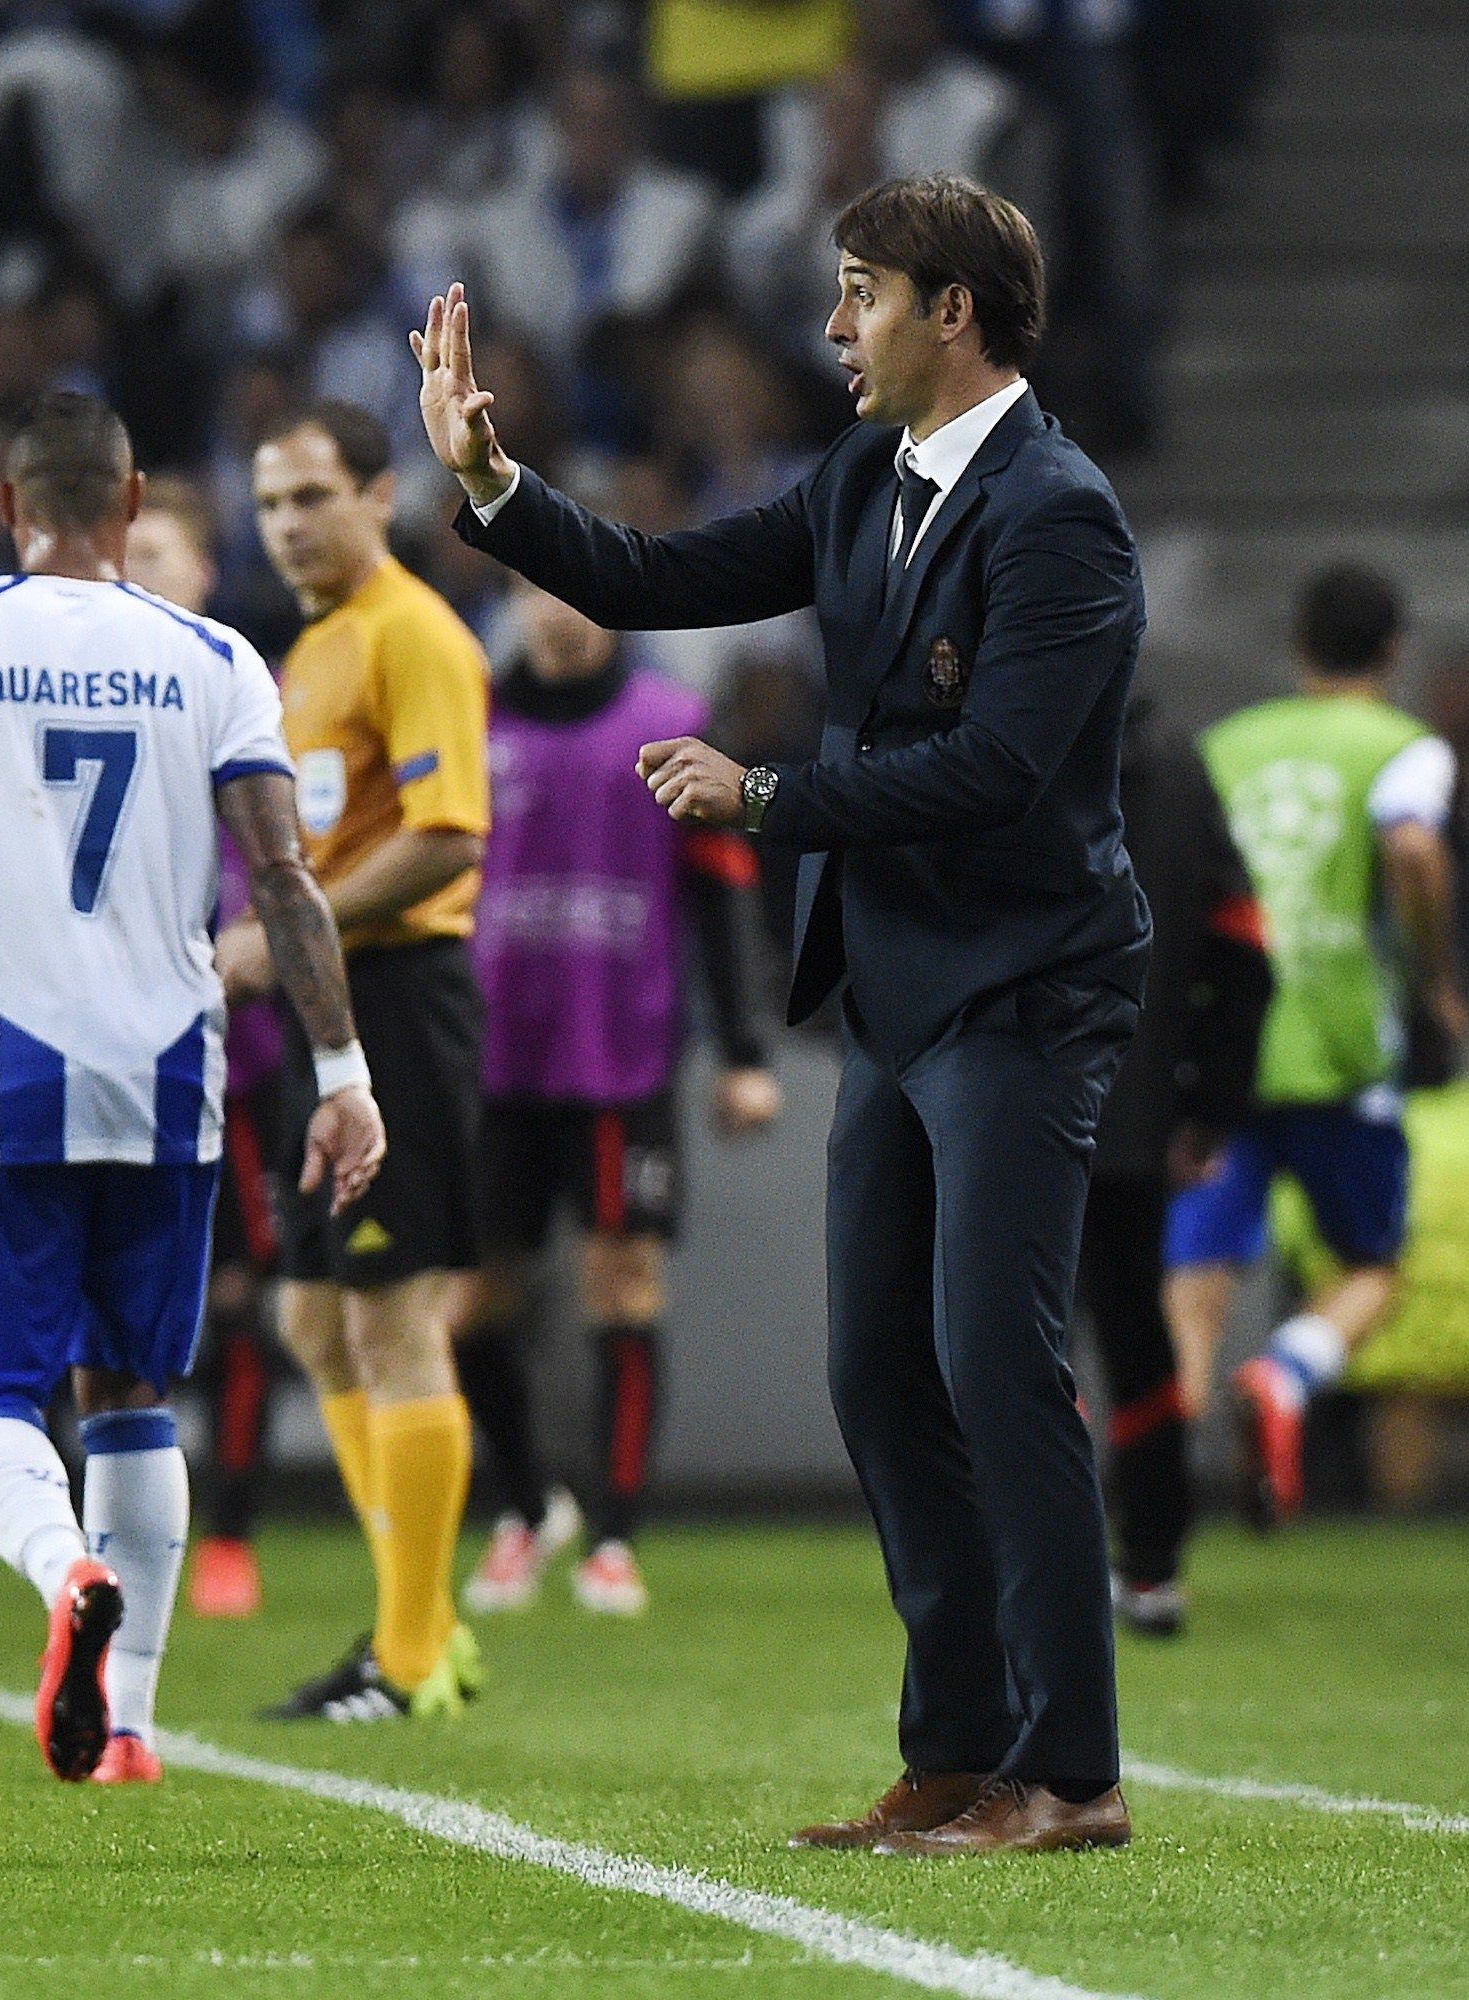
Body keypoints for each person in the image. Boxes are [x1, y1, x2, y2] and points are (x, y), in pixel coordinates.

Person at [425, 171, 1148, 1853]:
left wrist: (766, 795)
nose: (832, 329)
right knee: (878, 1371)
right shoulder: (862, 477)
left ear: (947, 313)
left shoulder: (1059, 512)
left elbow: (997, 770)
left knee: (993, 1359)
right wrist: (492, 482)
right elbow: (653, 577)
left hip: (1027, 987)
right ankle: (961, 1748)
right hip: (900, 990)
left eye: (858, 294)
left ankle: (1078, 1771)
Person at [0, 392, 384, 1786]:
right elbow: (283, 876)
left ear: (6, 506)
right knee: (131, 1387)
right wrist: (340, 1069)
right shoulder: (214, 654)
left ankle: (64, 1575)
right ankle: (136, 1728)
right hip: (166, 1079)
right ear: (133, 499)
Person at [226, 399, 491, 1725]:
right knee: (314, 1317)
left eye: (313, 495)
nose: (289, 524)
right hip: (329, 1003)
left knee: (391, 1321)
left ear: (380, 495)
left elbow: (449, 837)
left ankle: (406, 1658)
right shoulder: (312, 651)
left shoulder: (414, 634)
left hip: (397, 998)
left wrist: (293, 932)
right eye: (271, 502)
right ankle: (422, 1621)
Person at [458, 581, 780, 1621]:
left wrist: (742, 1048)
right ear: (510, 601)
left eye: (575, 590)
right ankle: (523, 1507)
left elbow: (721, 887)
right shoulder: (471, 714)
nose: (557, 613)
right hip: (496, 1054)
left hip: (621, 1053)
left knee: (624, 1284)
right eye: (535, 590)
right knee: (472, 1304)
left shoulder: (669, 724)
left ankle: (613, 1538)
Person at [1173, 564, 1465, 1528]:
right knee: (1371, 1266)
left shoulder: (1226, 747)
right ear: (1391, 650)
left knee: (1197, 1279)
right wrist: (1430, 976)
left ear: (1299, 647)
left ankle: (1156, 1492)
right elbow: (1416, 848)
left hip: (1225, 1043)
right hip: (1342, 1050)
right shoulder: (1406, 751)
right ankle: (1289, 1378)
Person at [126, 478, 281, 1621]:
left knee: (238, 1296)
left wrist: (250, 932)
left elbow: (289, 851)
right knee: (116, 1300)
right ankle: (111, 1534)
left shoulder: (237, 684)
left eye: (158, 554)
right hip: (112, 1047)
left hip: (238, 1060)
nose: (134, 572)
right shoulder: (89, 696)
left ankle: (228, 1533)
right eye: (123, 553)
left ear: (203, 571)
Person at [1082, 698, 1271, 1635]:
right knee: (1137, 1340)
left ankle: (1025, 1562)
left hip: (1002, 1102)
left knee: (1002, 1339)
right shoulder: (1177, 770)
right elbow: (1242, 944)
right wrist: (1208, 1105)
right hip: (1132, 1111)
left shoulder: (981, 739)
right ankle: (1151, 1563)